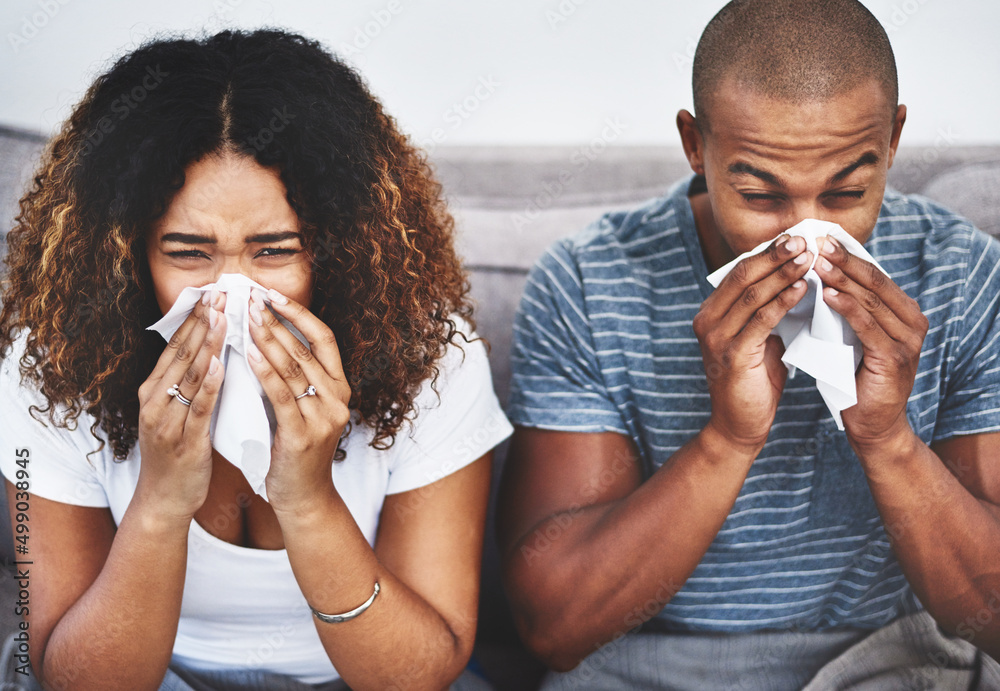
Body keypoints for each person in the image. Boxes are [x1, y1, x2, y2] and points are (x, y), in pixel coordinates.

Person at [497, 0, 1000, 688]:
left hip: (885, 658)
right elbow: (555, 626)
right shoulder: (590, 281)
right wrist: (728, 438)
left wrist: (888, 438)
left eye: (847, 191)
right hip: (646, 668)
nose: (804, 239)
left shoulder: (962, 275)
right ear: (695, 146)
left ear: (892, 140)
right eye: (761, 195)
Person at [0, 29, 511, 691]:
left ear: (339, 249)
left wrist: (309, 501)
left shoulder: (431, 361)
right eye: (188, 252)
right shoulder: (52, 367)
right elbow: (70, 676)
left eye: (274, 251)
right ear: (125, 256)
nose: (233, 293)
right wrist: (158, 503)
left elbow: (417, 673)